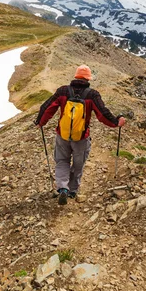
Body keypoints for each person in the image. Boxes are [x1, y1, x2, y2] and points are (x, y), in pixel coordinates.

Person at [35, 65, 126, 205]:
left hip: (62, 135)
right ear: (88, 78)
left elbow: (47, 107)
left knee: (62, 161)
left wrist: (41, 122)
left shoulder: (63, 91)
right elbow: (103, 114)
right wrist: (116, 122)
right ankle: (72, 191)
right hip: (81, 138)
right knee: (78, 165)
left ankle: (62, 188)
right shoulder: (92, 94)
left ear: (76, 76)